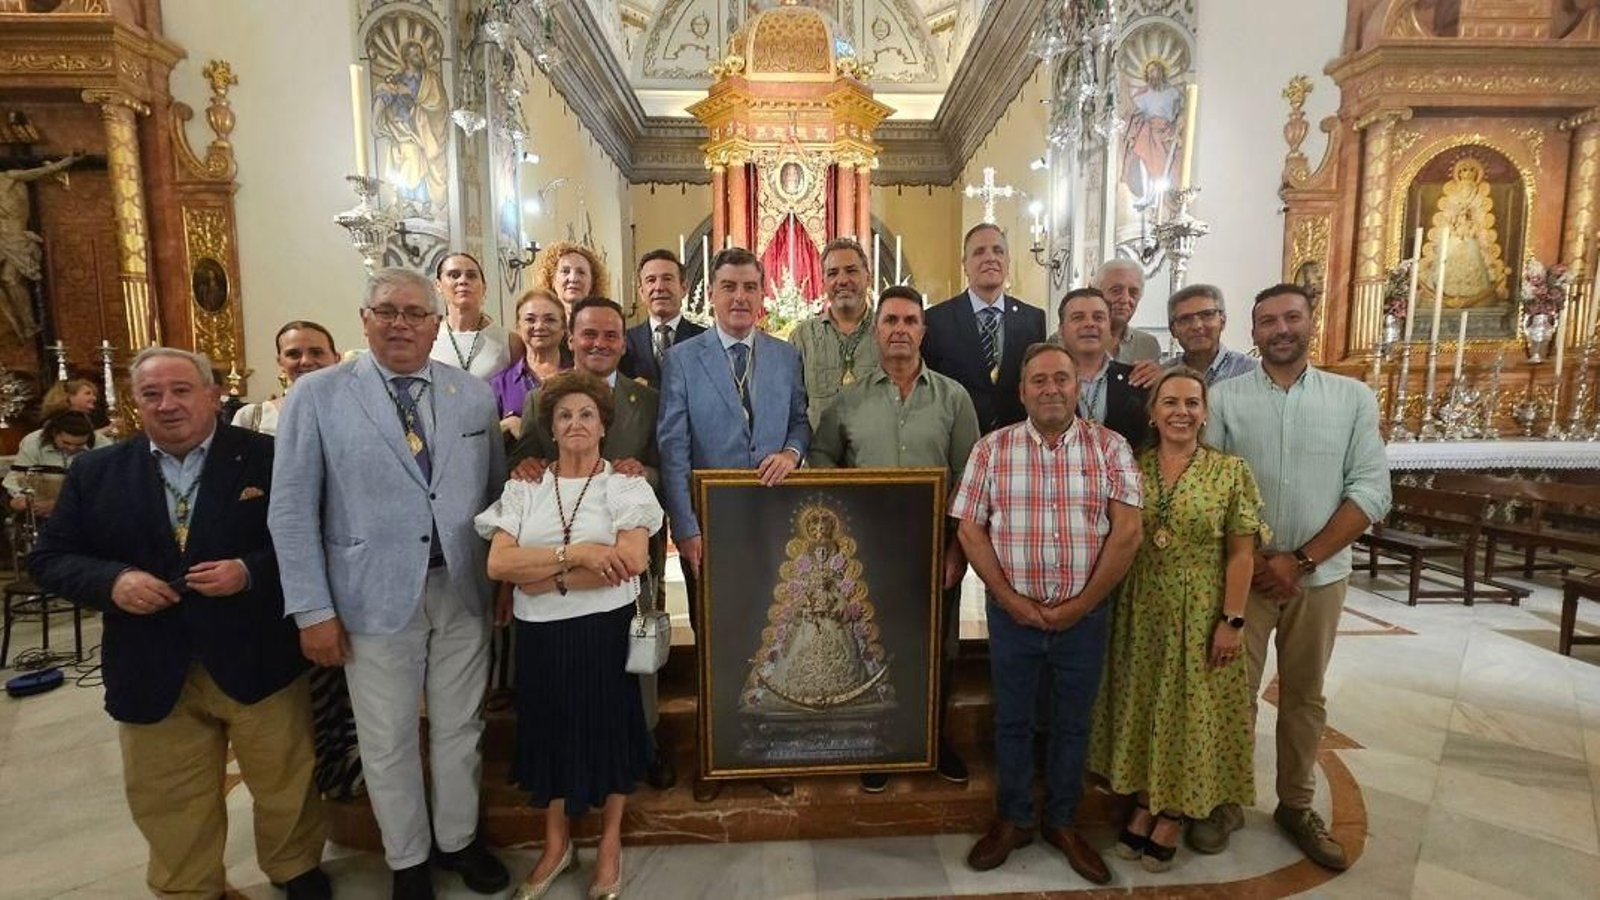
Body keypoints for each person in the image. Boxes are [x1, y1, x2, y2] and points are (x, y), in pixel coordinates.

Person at [29, 347, 330, 900]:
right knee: (167, 790)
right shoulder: (98, 471)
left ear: (214, 397)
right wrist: (112, 581)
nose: (168, 405)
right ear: (136, 405)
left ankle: (295, 867)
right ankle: (190, 885)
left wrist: (250, 570)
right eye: (151, 394)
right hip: (150, 656)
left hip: (254, 651)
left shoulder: (268, 457)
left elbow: (314, 533)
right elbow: (50, 557)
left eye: (182, 390)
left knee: (285, 777)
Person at [269, 267, 509, 900]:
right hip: (369, 597)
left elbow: (493, 494)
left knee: (461, 726)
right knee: (388, 736)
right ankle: (407, 860)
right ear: (365, 318)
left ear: (436, 323)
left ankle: (458, 841)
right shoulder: (318, 396)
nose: (400, 323)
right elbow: (290, 510)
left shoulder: (473, 396)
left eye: (414, 313)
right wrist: (312, 610)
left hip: (461, 588)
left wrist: (501, 577)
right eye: (387, 311)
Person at [1205, 283, 1390, 870]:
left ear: (1311, 322)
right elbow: (1213, 487)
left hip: (1320, 574)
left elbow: (1371, 490)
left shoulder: (1352, 398)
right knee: (1232, 693)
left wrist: (1301, 559)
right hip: (1245, 576)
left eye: (1291, 317)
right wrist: (1258, 560)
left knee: (1305, 696)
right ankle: (1227, 799)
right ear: (1252, 332)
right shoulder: (1225, 398)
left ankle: (1296, 803)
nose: (1280, 329)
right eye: (1268, 321)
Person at [951, 342, 1142, 886]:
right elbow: (970, 528)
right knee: (1012, 721)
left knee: (1071, 723)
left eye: (1061, 378)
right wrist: (1011, 600)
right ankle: (1013, 818)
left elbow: (1127, 533)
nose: (1051, 388)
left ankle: (1062, 821)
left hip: (1085, 617)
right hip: (1013, 616)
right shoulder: (992, 450)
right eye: (1039, 380)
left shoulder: (1110, 448)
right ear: (1022, 390)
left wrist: (1082, 604)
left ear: (1077, 385)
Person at [478, 371, 662, 900]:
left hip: (604, 633)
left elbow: (629, 559)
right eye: (564, 415)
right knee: (550, 734)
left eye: (586, 414)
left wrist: (541, 577)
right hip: (542, 640)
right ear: (550, 428)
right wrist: (578, 556)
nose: (576, 423)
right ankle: (555, 844)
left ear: (604, 426)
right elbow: (498, 563)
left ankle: (608, 844)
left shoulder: (625, 484)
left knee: (608, 732)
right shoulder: (526, 484)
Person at [1088, 368, 1262, 872]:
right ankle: (1145, 800)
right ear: (1152, 411)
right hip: (1140, 604)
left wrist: (1231, 619)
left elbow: (1241, 555)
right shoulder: (1132, 465)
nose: (1180, 412)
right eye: (1169, 402)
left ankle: (1176, 811)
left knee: (1190, 711)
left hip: (1202, 606)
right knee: (1145, 707)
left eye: (1191, 403)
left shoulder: (1229, 471)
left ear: (1205, 412)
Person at [809, 284, 980, 792]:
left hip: (935, 553)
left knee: (938, 649)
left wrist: (958, 549)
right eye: (891, 321)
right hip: (868, 556)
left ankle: (935, 740)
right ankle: (879, 742)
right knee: (871, 647)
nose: (900, 330)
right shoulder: (848, 401)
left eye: (910, 321)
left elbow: (971, 481)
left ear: (923, 331)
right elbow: (821, 461)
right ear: (876, 330)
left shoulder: (954, 397)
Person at [657, 246, 809, 802]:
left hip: (772, 524)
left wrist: (793, 451)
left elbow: (800, 422)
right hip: (711, 527)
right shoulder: (683, 359)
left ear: (763, 295)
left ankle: (765, 750)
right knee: (716, 640)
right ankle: (715, 753)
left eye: (749, 287)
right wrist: (686, 526)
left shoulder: (784, 356)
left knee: (774, 634)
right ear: (712, 294)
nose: (740, 297)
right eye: (729, 287)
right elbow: (672, 446)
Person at [510, 295, 674, 790]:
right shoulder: (542, 398)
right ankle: (566, 751)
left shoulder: (646, 399)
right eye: (589, 334)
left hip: (631, 550)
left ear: (624, 344)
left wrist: (638, 470)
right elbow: (523, 462)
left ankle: (643, 741)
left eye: (610, 335)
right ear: (571, 339)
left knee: (637, 645)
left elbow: (669, 465)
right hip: (561, 554)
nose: (599, 343)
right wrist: (527, 465)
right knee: (571, 657)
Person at [923, 223, 1046, 434]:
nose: (990, 258)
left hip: (1018, 441)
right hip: (957, 438)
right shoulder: (936, 320)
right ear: (965, 264)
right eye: (979, 252)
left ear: (1007, 261)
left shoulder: (1033, 319)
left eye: (998, 251)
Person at [788, 237, 880, 425]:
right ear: (824, 282)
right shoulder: (802, 337)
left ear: (868, 277)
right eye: (833, 273)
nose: (842, 280)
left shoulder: (888, 332)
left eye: (851, 271)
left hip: (876, 452)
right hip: (821, 451)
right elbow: (793, 411)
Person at [1056, 287, 1149, 447]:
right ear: (1061, 331)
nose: (1090, 324)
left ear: (1110, 330)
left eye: (1098, 317)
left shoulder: (1137, 380)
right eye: (1078, 318)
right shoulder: (1042, 382)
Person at [233, 320, 339, 434]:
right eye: (293, 354)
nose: (306, 361)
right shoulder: (251, 417)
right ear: (280, 362)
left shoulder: (357, 411)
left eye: (316, 352)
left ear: (336, 358)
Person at [491, 288, 570, 438]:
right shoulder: (501, 385)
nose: (539, 326)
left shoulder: (581, 378)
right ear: (518, 327)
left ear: (563, 328)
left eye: (550, 319)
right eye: (530, 319)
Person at [620, 249, 705, 388]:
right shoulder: (625, 342)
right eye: (651, 280)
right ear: (641, 292)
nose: (659, 287)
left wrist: (649, 386)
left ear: (683, 288)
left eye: (667, 279)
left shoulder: (705, 339)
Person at [430, 252, 511, 380]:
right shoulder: (427, 338)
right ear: (438, 285)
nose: (463, 281)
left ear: (484, 287)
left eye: (471, 276)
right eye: (454, 275)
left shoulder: (510, 342)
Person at [1163, 284, 1258, 385]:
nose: (1196, 326)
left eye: (1207, 315)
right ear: (1173, 330)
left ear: (1223, 321)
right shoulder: (1163, 376)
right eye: (1185, 318)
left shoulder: (1253, 372)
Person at [5, 411, 95, 518]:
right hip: (40, 511)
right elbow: (16, 479)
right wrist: (21, 498)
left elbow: (105, 489)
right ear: (54, 433)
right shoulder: (33, 442)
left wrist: (60, 504)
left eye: (79, 444)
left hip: (85, 513)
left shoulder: (102, 445)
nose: (72, 448)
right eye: (66, 443)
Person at [1096, 259, 1162, 365]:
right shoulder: (1066, 341)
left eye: (1133, 292)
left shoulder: (1148, 345)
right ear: (1095, 292)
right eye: (1116, 290)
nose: (1125, 299)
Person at [532, 240, 611, 314]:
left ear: (593, 282)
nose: (573, 279)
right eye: (565, 271)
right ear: (552, 280)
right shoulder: (541, 326)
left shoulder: (605, 325)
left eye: (581, 272)